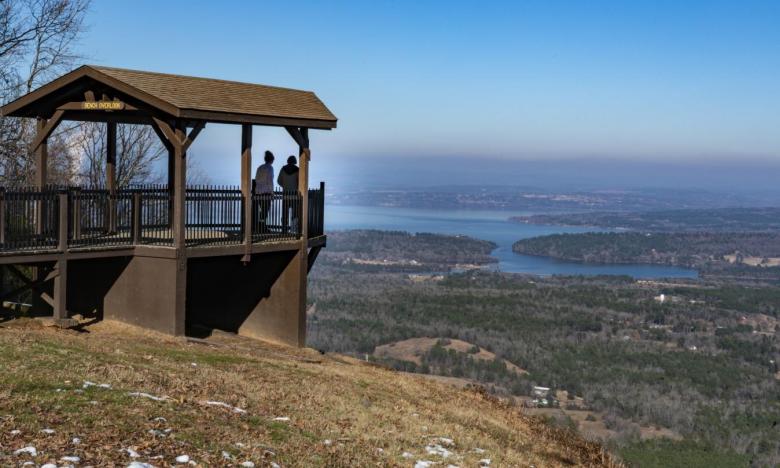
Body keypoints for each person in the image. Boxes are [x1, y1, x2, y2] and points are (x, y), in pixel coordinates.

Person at [277, 155, 299, 233]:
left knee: (285, 212)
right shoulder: (297, 170)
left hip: (285, 194)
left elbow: (279, 181)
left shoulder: (283, 169)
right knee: (295, 212)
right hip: (294, 194)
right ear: (294, 162)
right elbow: (300, 182)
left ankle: (284, 229)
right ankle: (293, 230)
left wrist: (285, 186)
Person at [254, 151, 274, 231]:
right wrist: (272, 193)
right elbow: (270, 181)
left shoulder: (260, 167)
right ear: (271, 160)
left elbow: (256, 179)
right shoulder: (270, 168)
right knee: (265, 210)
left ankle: (260, 226)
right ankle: (262, 227)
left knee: (262, 210)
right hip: (266, 193)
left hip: (258, 192)